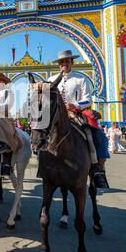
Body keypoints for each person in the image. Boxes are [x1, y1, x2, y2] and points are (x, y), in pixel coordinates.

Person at [48, 49, 109, 188]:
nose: (64, 63)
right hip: (55, 115)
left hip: (74, 113)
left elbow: (87, 100)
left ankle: (97, 167)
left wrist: (74, 104)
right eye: (62, 61)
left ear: (72, 62)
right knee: (41, 134)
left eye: (67, 61)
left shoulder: (81, 79)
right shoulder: (51, 80)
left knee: (96, 134)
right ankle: (43, 166)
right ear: (59, 64)